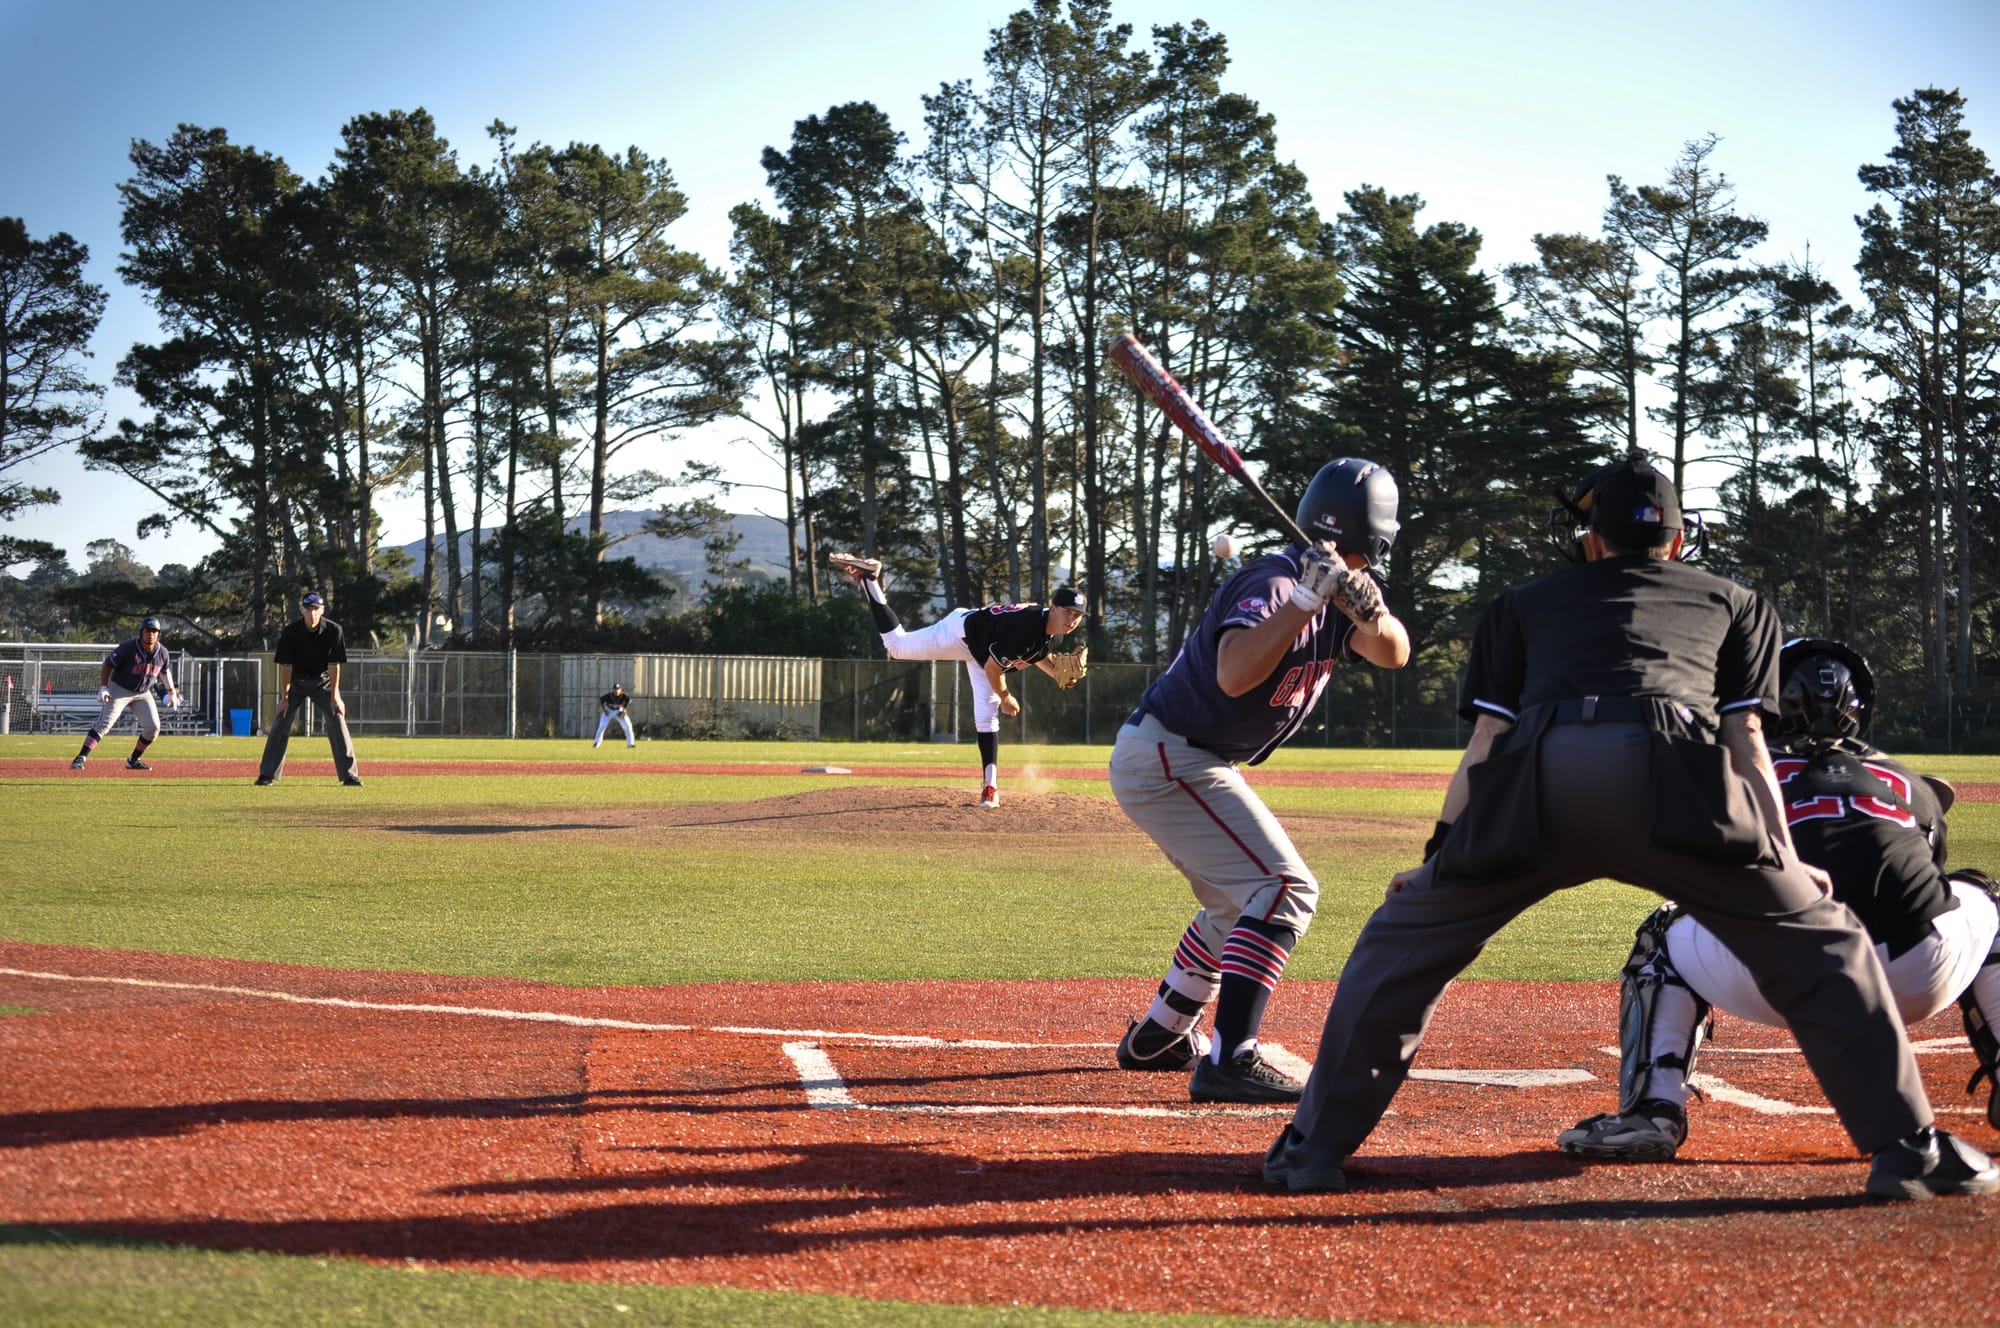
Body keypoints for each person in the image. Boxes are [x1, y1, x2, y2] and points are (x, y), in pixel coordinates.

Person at [1267, 457, 1999, 1202]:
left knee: (1402, 945)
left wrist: (1438, 861)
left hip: (1538, 780)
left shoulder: (1522, 602)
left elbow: (1486, 744)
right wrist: (1784, 863)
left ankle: (1310, 1148)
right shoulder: (1738, 600)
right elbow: (1747, 746)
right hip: (1678, 778)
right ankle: (1906, 1150)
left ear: (1592, 540)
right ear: (1679, 543)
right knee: (1825, 943)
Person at [1558, 636, 2000, 1160]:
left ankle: (1651, 1111)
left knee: (1664, 926)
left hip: (1779, 977)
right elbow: (1928, 882)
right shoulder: (1905, 780)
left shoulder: (1739, 770)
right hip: (1918, 973)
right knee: (1983, 895)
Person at [1110, 458, 1411, 1104]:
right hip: (1171, 755)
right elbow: (1233, 674)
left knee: (1234, 902)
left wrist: (1369, 613)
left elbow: (1395, 653)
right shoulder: (1277, 582)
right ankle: (1230, 1059)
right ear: (1379, 537)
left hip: (1182, 758)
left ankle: (1161, 1031)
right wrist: (1306, 600)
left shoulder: (1337, 592)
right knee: (1284, 887)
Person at [830, 553, 1084, 809]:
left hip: (983, 650)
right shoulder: (1025, 628)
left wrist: (1058, 675)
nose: (1072, 619)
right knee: (897, 646)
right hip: (961, 634)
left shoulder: (1053, 634)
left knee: (986, 717)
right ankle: (870, 578)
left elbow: (1039, 654)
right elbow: (994, 669)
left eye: (1078, 615)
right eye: (1068, 612)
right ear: (1053, 607)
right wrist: (1006, 698)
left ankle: (990, 788)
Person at [255, 592, 362, 788]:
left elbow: (334, 665)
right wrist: (284, 698)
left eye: (316, 609)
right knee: (281, 721)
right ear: (302, 610)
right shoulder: (290, 632)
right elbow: (286, 666)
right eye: (308, 609)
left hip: (322, 682)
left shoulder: (333, 631)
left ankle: (349, 775)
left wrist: (335, 695)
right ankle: (266, 774)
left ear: (322, 610)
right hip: (296, 680)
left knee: (337, 718)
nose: (312, 613)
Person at [69, 615, 181, 772]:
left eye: (154, 631)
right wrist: (104, 687)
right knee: (105, 724)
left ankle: (133, 760)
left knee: (153, 728)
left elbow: (164, 670)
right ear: (141, 632)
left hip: (142, 693)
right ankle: (80, 758)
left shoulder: (162, 652)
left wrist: (171, 690)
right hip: (120, 689)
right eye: (148, 631)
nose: (151, 634)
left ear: (158, 634)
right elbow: (108, 664)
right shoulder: (128, 648)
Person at [593, 683, 636, 748]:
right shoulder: (609, 696)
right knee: (602, 725)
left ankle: (631, 744)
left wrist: (624, 710)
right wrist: (604, 710)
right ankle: (597, 742)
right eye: (615, 689)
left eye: (618, 689)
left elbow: (627, 702)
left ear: (621, 690)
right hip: (609, 710)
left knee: (628, 725)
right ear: (613, 690)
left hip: (619, 711)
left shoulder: (624, 696)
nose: (616, 691)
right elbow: (601, 701)